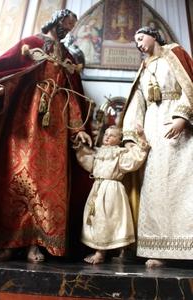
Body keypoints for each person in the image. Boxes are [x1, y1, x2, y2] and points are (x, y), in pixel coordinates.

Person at [0, 9, 93, 263]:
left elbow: (71, 94)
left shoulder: (67, 56)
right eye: (65, 26)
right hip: (25, 118)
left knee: (49, 184)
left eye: (71, 28)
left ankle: (37, 243)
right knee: (16, 176)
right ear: (56, 21)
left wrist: (79, 128)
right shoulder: (31, 44)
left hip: (55, 125)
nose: (67, 31)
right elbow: (9, 72)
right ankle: (10, 242)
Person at [121, 26, 193, 268]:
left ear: (153, 35)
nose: (139, 43)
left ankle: (187, 247)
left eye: (141, 37)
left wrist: (182, 117)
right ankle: (158, 248)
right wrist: (132, 133)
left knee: (183, 187)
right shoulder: (144, 67)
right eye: (136, 41)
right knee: (154, 187)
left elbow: (189, 85)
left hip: (177, 130)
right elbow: (137, 101)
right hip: (153, 130)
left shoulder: (175, 53)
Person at [74, 125, 149, 264]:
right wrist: (79, 146)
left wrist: (141, 138)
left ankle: (101, 253)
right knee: (96, 218)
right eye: (106, 134)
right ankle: (102, 249)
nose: (107, 136)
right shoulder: (99, 152)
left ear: (119, 140)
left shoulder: (120, 154)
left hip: (111, 191)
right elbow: (87, 162)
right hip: (97, 188)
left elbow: (135, 159)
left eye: (112, 135)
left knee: (107, 220)